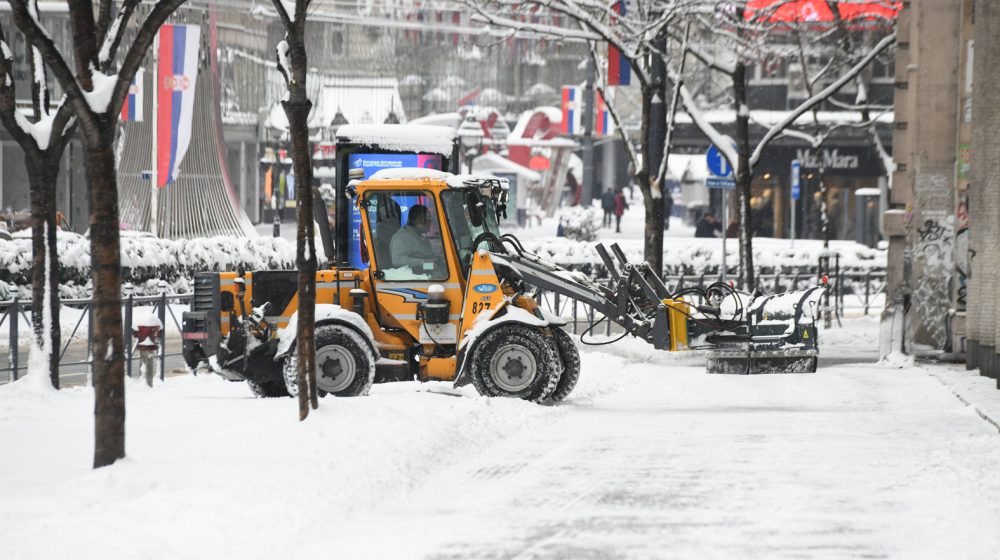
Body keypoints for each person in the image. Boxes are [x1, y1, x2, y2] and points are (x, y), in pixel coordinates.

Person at [390, 204, 439, 272]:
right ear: (420, 220)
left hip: (423, 272)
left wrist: (436, 261)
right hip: (413, 276)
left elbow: (425, 263)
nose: (431, 222)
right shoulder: (402, 236)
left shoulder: (420, 236)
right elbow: (397, 260)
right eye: (429, 219)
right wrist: (425, 262)